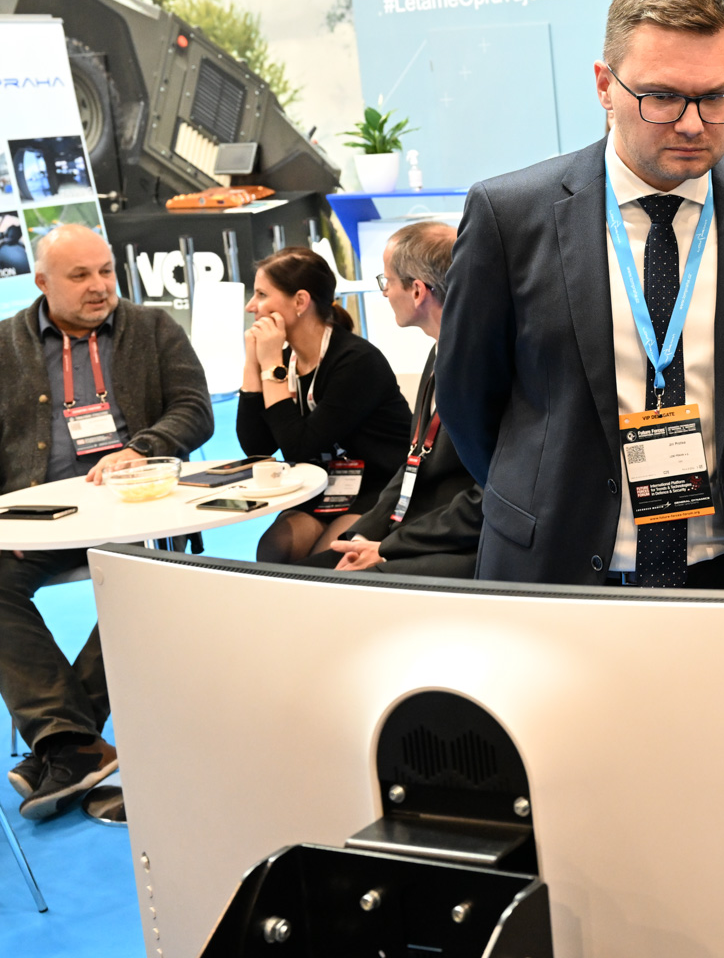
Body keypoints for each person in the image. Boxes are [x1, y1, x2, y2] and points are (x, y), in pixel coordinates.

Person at [438, 0, 724, 589]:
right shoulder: (510, 217)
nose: (693, 123)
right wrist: (541, 498)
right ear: (605, 86)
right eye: (662, 97)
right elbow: (467, 401)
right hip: (555, 571)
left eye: (716, 96)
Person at [0, 224, 212, 820]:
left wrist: (145, 447)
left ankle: (64, 743)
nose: (99, 286)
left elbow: (194, 409)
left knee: (146, 583)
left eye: (105, 271)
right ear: (42, 283)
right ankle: (72, 742)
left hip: (137, 513)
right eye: (80, 275)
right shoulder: (4, 345)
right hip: (38, 521)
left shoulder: (153, 328)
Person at [311, 221, 479, 577]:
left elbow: (488, 497)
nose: (385, 292)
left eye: (386, 281)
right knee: (294, 574)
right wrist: (362, 537)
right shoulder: (440, 352)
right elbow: (414, 461)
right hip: (412, 534)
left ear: (417, 291)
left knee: (316, 588)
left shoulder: (482, 368)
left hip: (454, 547)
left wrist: (387, 548)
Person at [238, 246, 412, 562]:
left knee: (328, 561)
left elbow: (299, 447)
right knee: (275, 550)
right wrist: (254, 363)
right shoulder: (285, 360)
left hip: (381, 485)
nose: (251, 306)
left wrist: (271, 369)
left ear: (300, 301)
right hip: (325, 486)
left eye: (262, 294)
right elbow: (257, 449)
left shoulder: (356, 362)